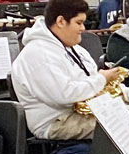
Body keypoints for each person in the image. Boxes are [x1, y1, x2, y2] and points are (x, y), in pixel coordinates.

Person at [11, 0, 123, 141]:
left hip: (81, 112)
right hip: (56, 121)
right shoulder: (37, 54)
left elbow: (90, 80)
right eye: (78, 22)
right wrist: (102, 79)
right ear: (61, 21)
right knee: (121, 126)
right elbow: (65, 96)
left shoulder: (74, 48)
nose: (83, 28)